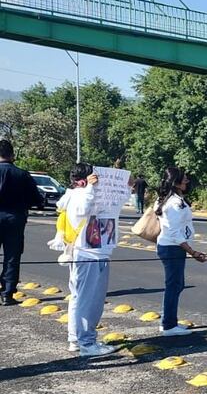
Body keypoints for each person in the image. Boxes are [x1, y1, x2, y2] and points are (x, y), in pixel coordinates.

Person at [47, 164, 121, 356]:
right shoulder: (81, 195)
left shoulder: (74, 195)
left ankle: (76, 339)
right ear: (83, 180)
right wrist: (90, 188)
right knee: (90, 300)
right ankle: (87, 343)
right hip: (90, 254)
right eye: (94, 177)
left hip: (87, 253)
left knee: (79, 298)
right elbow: (83, 209)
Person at [155, 167, 207, 334]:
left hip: (172, 247)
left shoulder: (169, 199)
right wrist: (192, 252)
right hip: (172, 247)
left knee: (176, 285)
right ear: (176, 182)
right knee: (174, 285)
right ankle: (169, 325)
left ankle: (168, 320)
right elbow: (174, 232)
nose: (187, 181)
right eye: (184, 179)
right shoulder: (174, 203)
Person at [0, 139, 41, 306]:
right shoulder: (22, 174)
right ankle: (7, 293)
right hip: (15, 219)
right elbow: (37, 199)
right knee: (12, 256)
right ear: (12, 155)